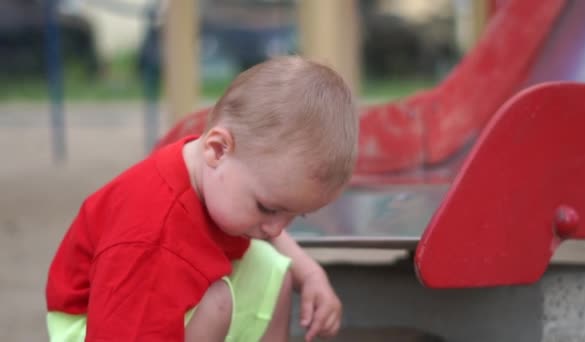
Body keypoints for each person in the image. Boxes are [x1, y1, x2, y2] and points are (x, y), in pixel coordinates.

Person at [46, 56, 359, 341]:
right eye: (267, 208)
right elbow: (118, 328)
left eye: (293, 215)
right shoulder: (149, 237)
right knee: (215, 300)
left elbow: (271, 229)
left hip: (158, 287)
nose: (277, 229)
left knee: (272, 271)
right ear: (218, 149)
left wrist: (309, 272)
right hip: (104, 323)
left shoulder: (217, 171)